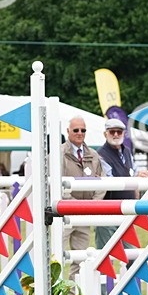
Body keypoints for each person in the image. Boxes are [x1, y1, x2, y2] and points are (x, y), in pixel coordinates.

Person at [59, 116, 107, 280]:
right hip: (63, 213)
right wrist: (74, 204)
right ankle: (51, 294)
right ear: (68, 131)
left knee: (80, 259)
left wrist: (93, 205)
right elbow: (55, 183)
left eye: (83, 130)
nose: (80, 133)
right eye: (76, 130)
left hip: (85, 214)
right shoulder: (58, 153)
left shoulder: (93, 155)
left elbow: (102, 181)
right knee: (56, 256)